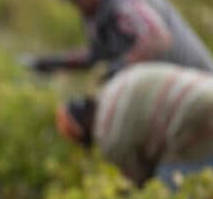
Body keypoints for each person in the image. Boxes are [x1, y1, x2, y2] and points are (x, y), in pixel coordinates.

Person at [29, 0, 213, 81]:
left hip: (197, 85)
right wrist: (57, 63)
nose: (78, 2)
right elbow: (99, 54)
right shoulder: (95, 8)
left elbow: (158, 39)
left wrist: (122, 65)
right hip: (169, 89)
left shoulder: (126, 1)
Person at [56, 62, 213, 188]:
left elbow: (140, 180)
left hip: (195, 120)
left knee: (166, 187)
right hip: (207, 87)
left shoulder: (108, 136)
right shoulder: (116, 84)